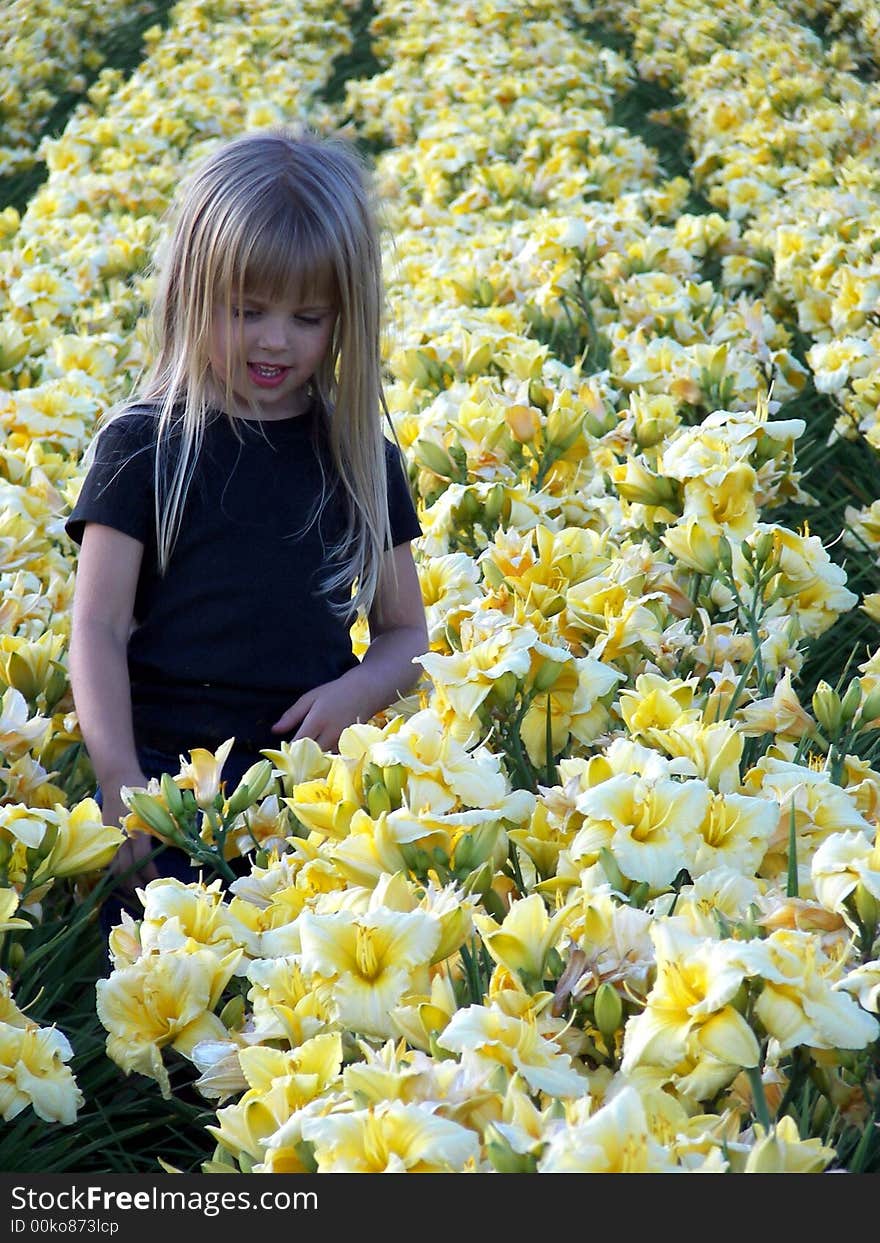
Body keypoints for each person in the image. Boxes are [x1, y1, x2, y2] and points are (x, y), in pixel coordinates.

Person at [65, 128, 428, 922]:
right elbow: (95, 627)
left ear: (346, 319)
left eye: (308, 316)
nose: (275, 339)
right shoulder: (144, 444)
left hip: (307, 792)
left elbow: (405, 634)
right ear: (191, 293)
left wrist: (357, 689)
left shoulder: (359, 456)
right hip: (162, 789)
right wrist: (117, 775)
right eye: (246, 310)